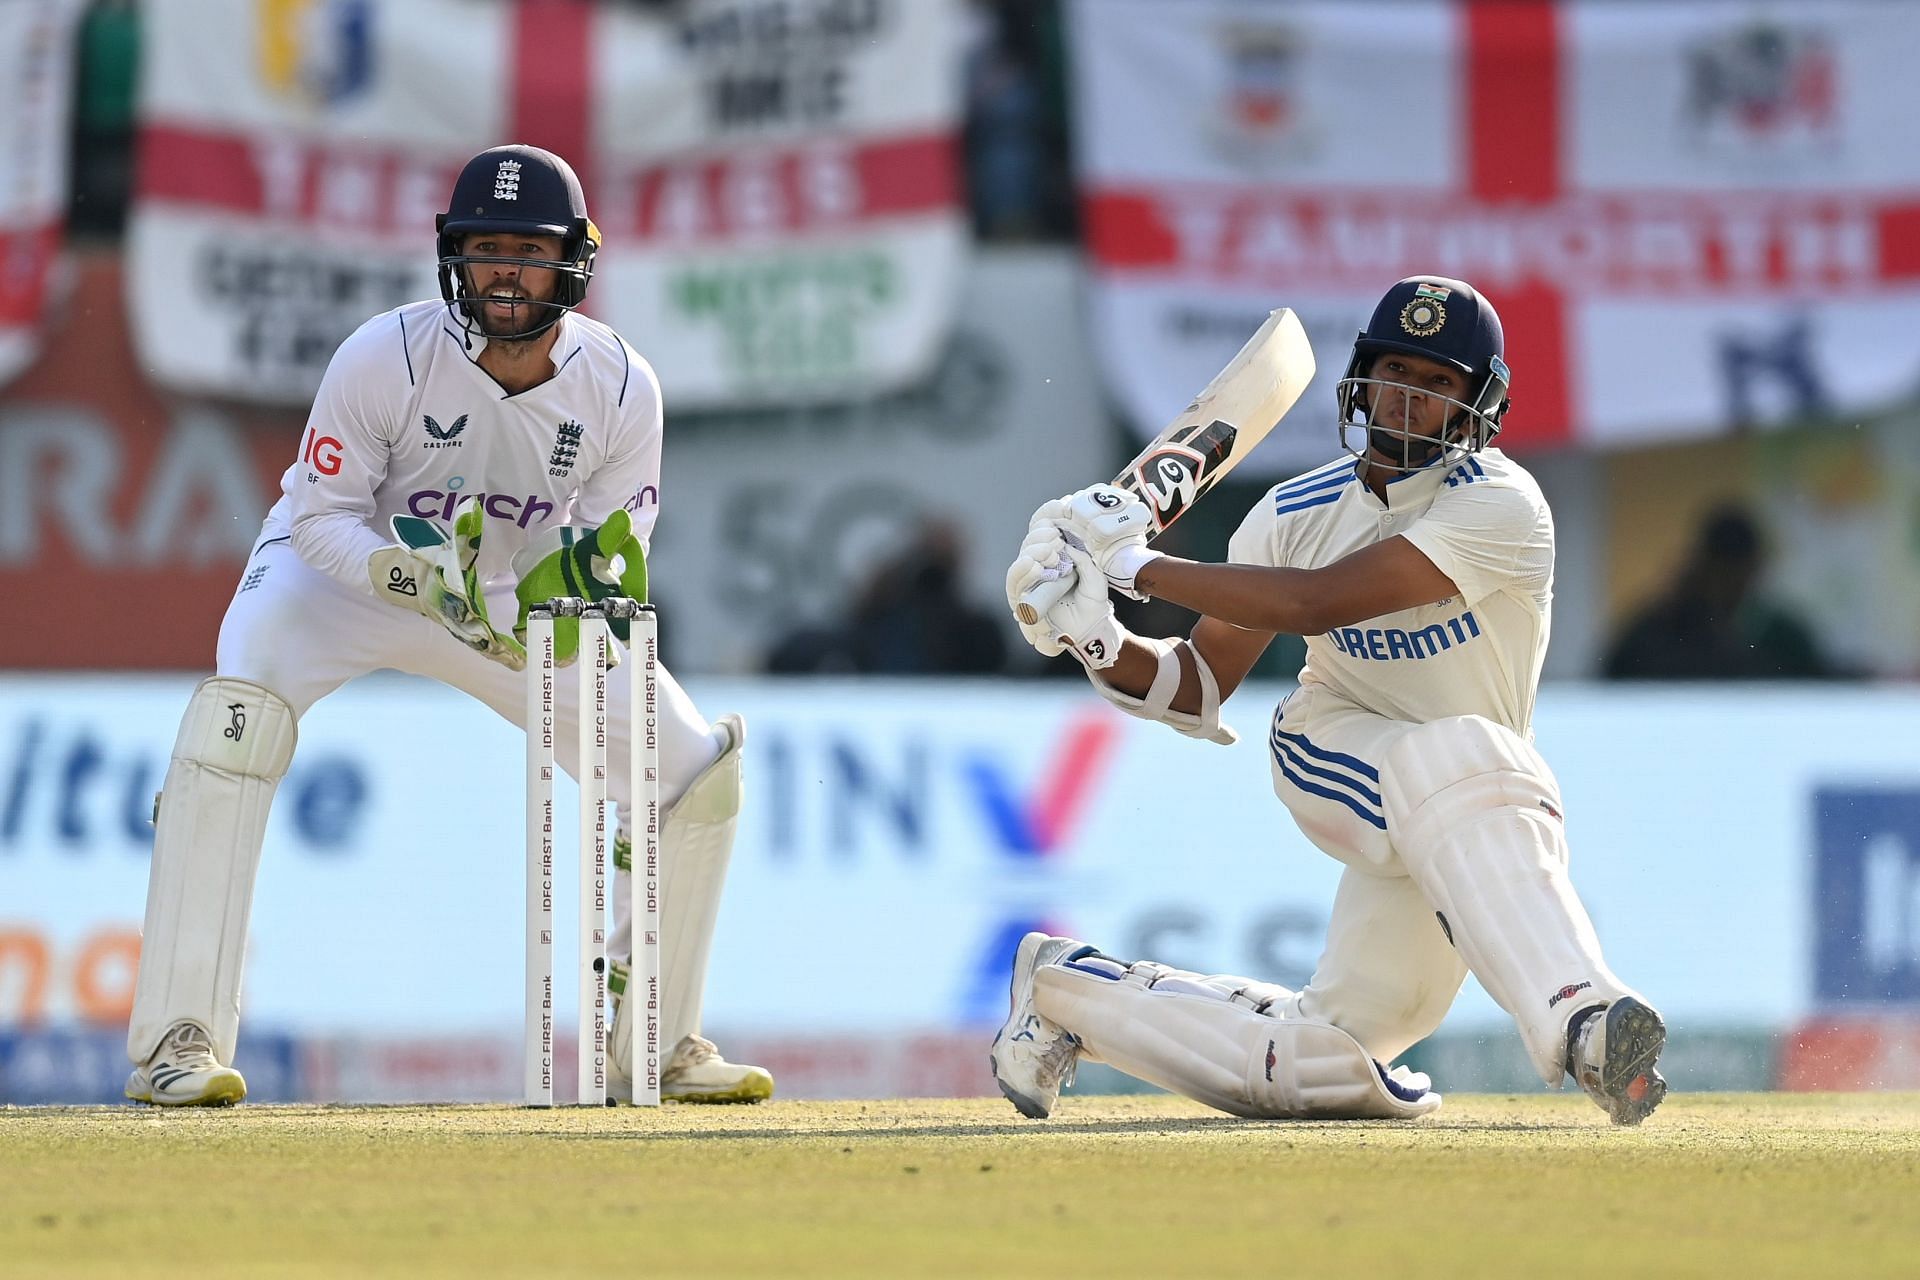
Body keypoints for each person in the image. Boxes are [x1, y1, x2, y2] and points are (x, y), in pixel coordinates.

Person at [124, 144, 772, 1107]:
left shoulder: (623, 388)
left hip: (512, 601)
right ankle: (177, 1042)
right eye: (483, 249)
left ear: (575, 264)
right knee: (237, 718)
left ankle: (657, 1044)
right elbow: (320, 515)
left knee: (691, 773)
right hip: (343, 576)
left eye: (529, 250)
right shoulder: (383, 354)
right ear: (452, 259)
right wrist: (400, 572)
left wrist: (555, 607)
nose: (504, 271)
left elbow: (604, 551)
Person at [995, 276, 1667, 1126]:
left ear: (1477, 408)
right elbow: (1196, 685)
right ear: (1360, 378)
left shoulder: (1503, 506)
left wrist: (1128, 567)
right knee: (1463, 754)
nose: (1407, 397)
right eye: (1394, 370)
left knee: (1324, 1064)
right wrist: (1096, 637)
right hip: (1333, 745)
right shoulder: (1292, 512)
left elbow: (1319, 601)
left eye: (1437, 384)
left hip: (1461, 814)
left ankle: (1063, 991)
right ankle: (1587, 1019)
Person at [1603, 503, 1844, 680]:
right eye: (1723, 573)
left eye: (1741, 574)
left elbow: (1816, 683)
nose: (1732, 584)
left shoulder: (1782, 635)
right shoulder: (1655, 631)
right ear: (1702, 566)